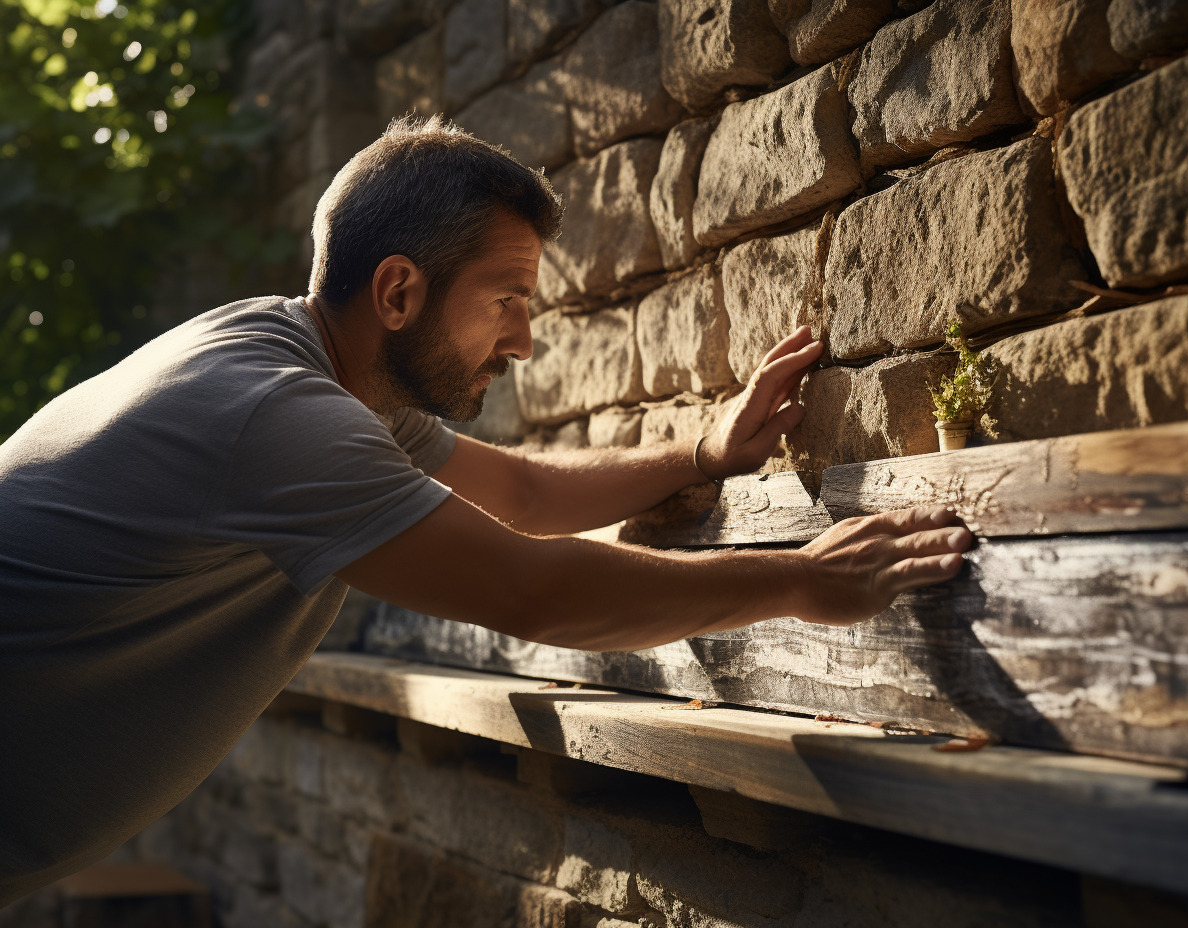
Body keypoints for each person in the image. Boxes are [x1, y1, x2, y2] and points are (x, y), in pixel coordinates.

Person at [0, 115, 972, 905]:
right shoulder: (278, 417)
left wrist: (701, 452)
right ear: (396, 290)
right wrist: (804, 578)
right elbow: (531, 590)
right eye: (507, 297)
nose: (526, 340)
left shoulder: (306, 369)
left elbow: (522, 494)